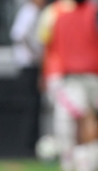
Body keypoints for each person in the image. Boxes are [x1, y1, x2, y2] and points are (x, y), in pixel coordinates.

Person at [41, 0, 98, 171]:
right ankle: (86, 160)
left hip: (91, 74)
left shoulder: (87, 13)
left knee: (92, 116)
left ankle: (93, 160)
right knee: (86, 117)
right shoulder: (60, 14)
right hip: (79, 74)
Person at [10, 0, 46, 155]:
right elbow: (19, 35)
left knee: (34, 108)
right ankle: (26, 147)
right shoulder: (29, 11)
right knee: (30, 107)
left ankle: (30, 145)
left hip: (32, 66)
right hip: (29, 66)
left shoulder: (36, 12)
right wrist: (36, 54)